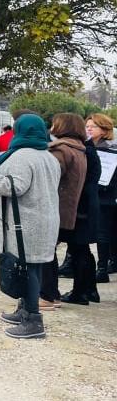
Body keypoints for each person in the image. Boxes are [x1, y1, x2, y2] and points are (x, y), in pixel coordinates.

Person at [0, 114, 61, 339]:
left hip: (25, 223)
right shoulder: (48, 156)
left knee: (28, 269)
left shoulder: (22, 156)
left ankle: (33, 320)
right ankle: (24, 310)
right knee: (31, 268)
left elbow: (13, 187)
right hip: (42, 219)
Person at [40, 114, 87, 310]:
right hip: (68, 207)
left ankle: (48, 295)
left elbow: (49, 177)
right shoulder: (79, 149)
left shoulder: (61, 150)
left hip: (55, 207)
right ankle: (51, 294)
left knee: (45, 251)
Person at [61, 132, 101, 305]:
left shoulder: (85, 152)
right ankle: (90, 290)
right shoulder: (89, 150)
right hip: (87, 202)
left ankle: (80, 292)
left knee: (78, 249)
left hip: (80, 205)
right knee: (82, 249)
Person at [85, 113, 117, 282]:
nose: (89, 129)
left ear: (104, 130)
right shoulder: (86, 147)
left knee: (104, 233)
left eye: (93, 126)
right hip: (92, 194)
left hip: (107, 196)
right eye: (87, 126)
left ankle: (102, 268)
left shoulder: (112, 150)